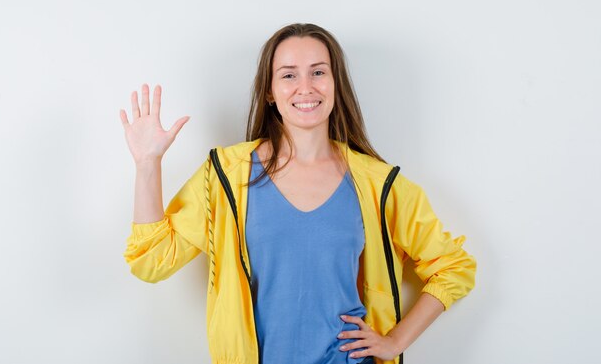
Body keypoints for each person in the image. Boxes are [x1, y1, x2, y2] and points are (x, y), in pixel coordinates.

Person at [120, 23, 476, 364]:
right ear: (270, 91)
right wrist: (148, 164)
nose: (305, 87)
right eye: (289, 74)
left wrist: (395, 341)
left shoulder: (379, 184)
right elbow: (152, 262)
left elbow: (454, 268)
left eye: (318, 72)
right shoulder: (226, 175)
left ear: (336, 85)